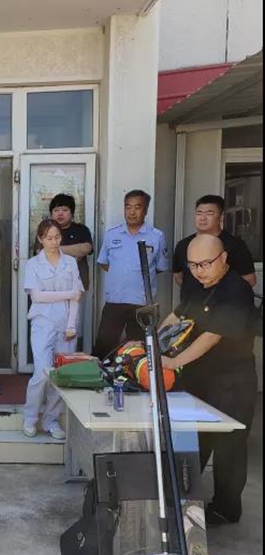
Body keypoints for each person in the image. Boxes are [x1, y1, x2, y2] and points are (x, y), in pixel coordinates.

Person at [161, 234, 257, 526]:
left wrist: (174, 361)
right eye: (192, 265)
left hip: (232, 379)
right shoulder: (196, 282)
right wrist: (152, 343)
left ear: (223, 258)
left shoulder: (236, 289)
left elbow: (212, 335)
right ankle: (182, 498)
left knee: (229, 446)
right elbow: (177, 316)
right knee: (193, 439)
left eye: (204, 264)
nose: (198, 271)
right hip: (198, 376)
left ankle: (226, 509)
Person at [22, 219, 83, 440]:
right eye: (49, 238)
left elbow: (77, 297)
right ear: (40, 239)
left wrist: (71, 324)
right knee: (42, 372)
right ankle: (30, 417)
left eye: (57, 237)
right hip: (42, 322)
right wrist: (69, 294)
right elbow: (37, 296)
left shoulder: (70, 262)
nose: (54, 242)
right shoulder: (33, 264)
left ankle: (51, 420)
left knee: (60, 374)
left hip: (66, 324)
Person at [92, 190, 169, 360]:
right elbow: (104, 263)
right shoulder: (112, 234)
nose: (132, 212)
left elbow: (159, 267)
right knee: (104, 348)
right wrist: (122, 273)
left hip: (141, 304)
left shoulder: (156, 236)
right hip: (115, 301)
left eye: (137, 207)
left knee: (138, 352)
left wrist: (136, 275)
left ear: (146, 210)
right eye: (128, 207)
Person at [173, 194, 256, 301]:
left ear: (221, 218)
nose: (203, 218)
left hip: (223, 307)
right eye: (199, 213)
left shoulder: (236, 245)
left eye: (209, 214)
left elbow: (249, 280)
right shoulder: (183, 245)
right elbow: (178, 277)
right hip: (189, 307)